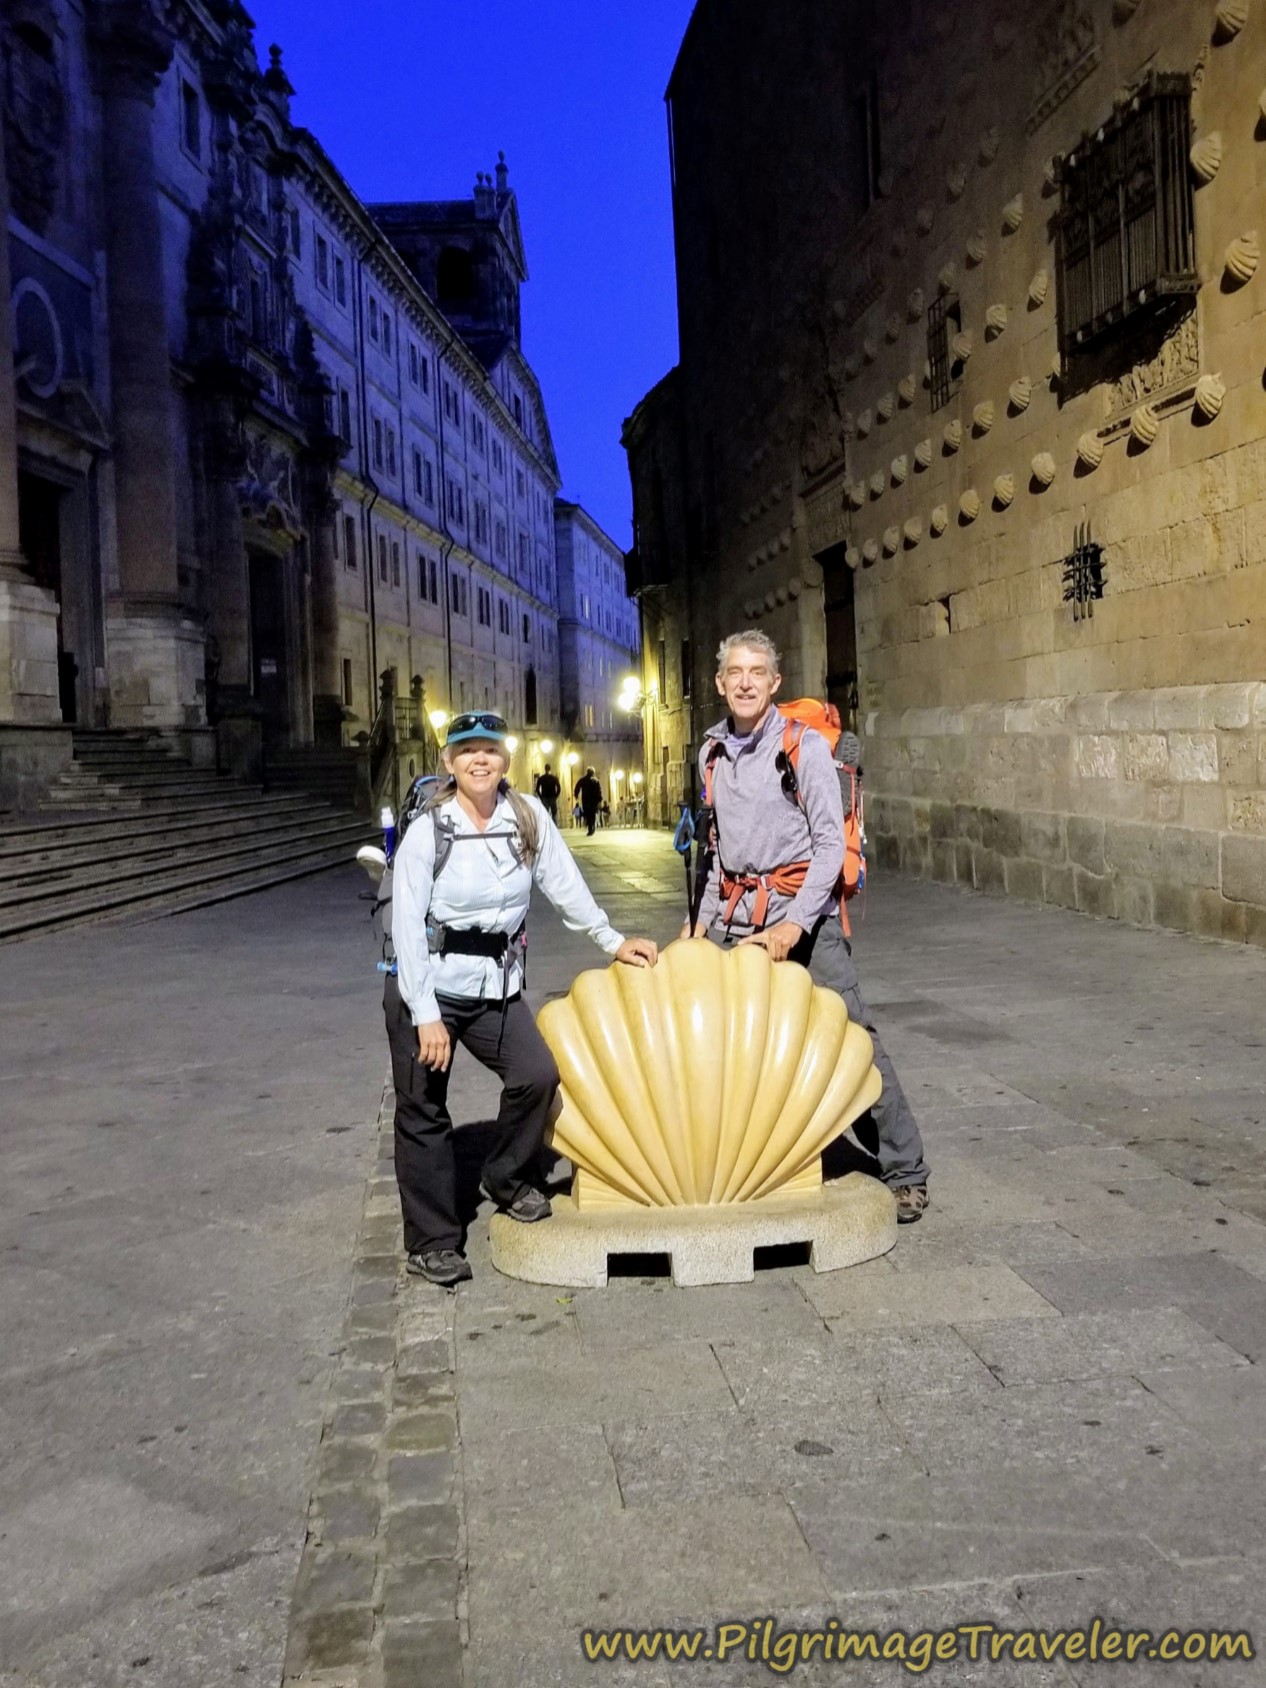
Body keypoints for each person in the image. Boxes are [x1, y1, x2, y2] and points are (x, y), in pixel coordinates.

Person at [388, 710, 659, 1285]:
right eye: (466, 751)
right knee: (423, 1108)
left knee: (536, 1074)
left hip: (494, 987)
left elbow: (565, 886)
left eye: (489, 749)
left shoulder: (526, 818)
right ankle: (433, 1240)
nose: (479, 759)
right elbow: (407, 924)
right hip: (426, 984)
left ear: (505, 759)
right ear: (449, 763)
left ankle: (505, 1177)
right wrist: (426, 1014)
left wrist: (612, 940)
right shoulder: (427, 831)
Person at [684, 630, 931, 1223]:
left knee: (851, 1039)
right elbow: (719, 855)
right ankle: (767, 1163)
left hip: (806, 922)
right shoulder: (712, 753)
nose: (745, 682)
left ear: (775, 683)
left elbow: (827, 848)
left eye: (757, 672)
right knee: (743, 1048)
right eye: (734, 673)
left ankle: (905, 1169)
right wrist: (699, 928)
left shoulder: (802, 748)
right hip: (744, 925)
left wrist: (795, 925)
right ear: (720, 684)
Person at [574, 766, 603, 836]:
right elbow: (599, 791)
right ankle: (592, 826)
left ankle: (590, 828)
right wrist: (599, 800)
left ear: (587, 772)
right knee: (592, 814)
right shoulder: (596, 781)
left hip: (586, 800)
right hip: (593, 801)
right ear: (593, 773)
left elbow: (577, 787)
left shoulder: (583, 779)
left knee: (587, 814)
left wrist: (576, 795)